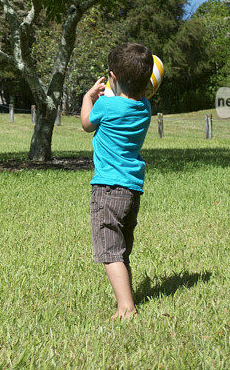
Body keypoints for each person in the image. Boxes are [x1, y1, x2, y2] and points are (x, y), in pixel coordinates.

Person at [80, 43, 153, 319]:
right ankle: (128, 297)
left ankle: (126, 307)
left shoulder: (107, 105)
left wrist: (89, 96)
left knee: (110, 252)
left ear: (112, 76)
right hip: (132, 190)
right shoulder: (145, 108)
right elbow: (132, 96)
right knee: (121, 250)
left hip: (107, 189)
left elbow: (87, 123)